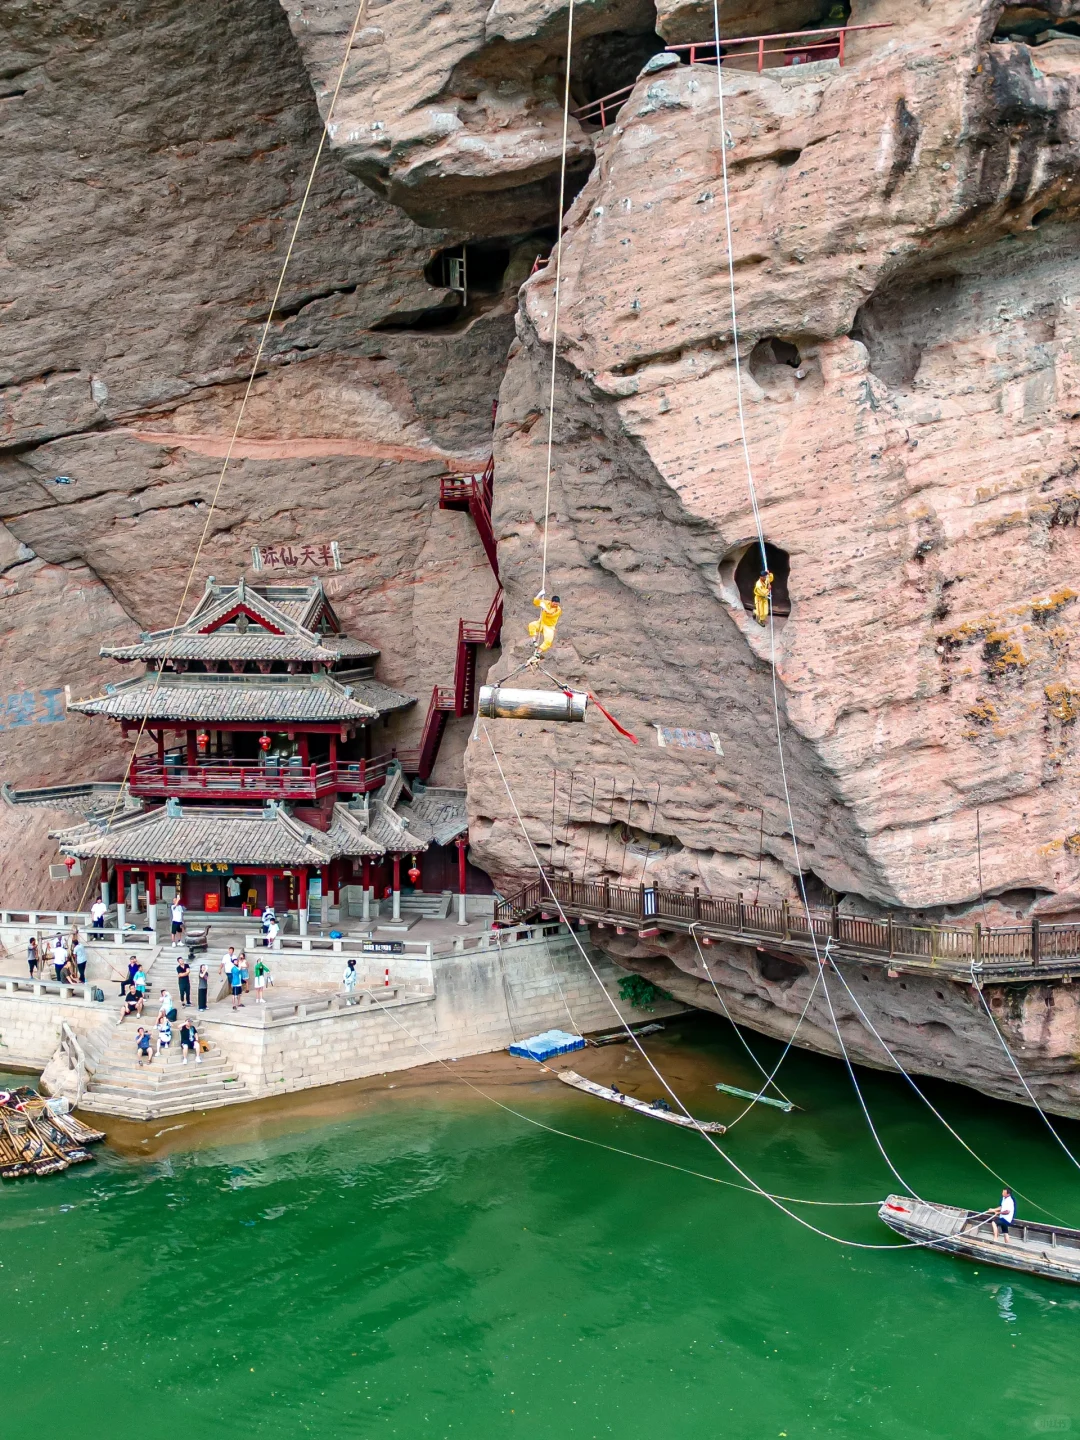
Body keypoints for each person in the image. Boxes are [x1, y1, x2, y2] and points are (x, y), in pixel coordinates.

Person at [527, 590, 562, 655]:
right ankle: (534, 641)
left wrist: (544, 608)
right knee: (531, 625)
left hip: (549, 627)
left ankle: (538, 653)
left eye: (557, 604)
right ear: (551, 601)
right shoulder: (546, 603)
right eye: (554, 604)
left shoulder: (558, 610)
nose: (555, 605)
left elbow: (550, 614)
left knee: (548, 641)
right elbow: (535, 602)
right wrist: (539, 595)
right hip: (541, 623)